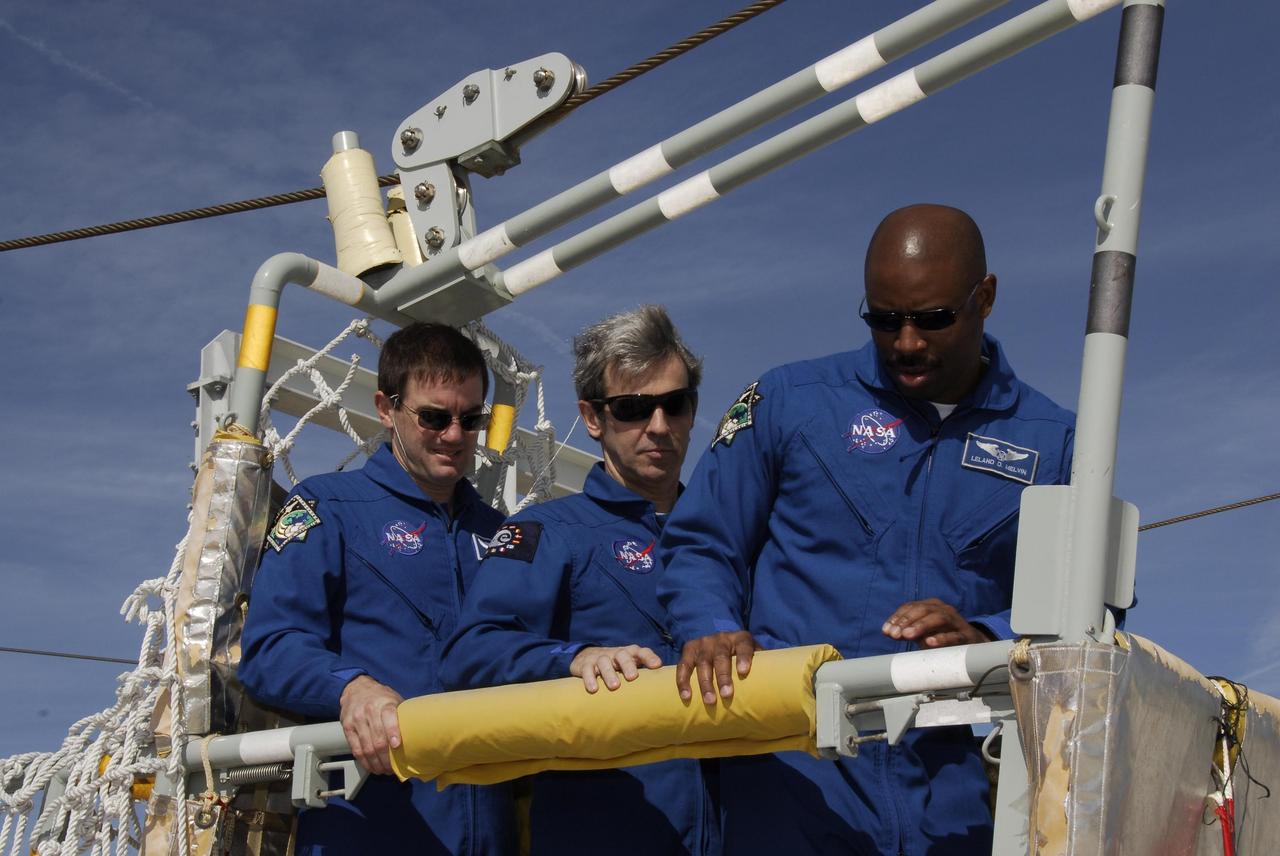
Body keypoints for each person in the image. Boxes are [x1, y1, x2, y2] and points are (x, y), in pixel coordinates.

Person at [656, 205, 1076, 855]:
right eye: (883, 318)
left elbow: (1083, 614)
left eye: (932, 318)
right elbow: (700, 540)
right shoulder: (788, 401)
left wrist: (987, 636)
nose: (906, 342)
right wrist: (709, 623)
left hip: (955, 797)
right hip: (790, 778)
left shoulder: (1055, 443)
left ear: (985, 297)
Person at [441, 305, 719, 856]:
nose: (659, 426)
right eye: (633, 408)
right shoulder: (544, 533)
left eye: (675, 404)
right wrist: (573, 658)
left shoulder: (731, 536)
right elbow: (470, 653)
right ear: (592, 419)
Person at [239, 322, 515, 856]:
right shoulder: (327, 508)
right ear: (387, 409)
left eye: (470, 418)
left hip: (490, 831)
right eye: (434, 416)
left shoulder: (502, 535)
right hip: (368, 827)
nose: (455, 435)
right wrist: (352, 688)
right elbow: (270, 649)